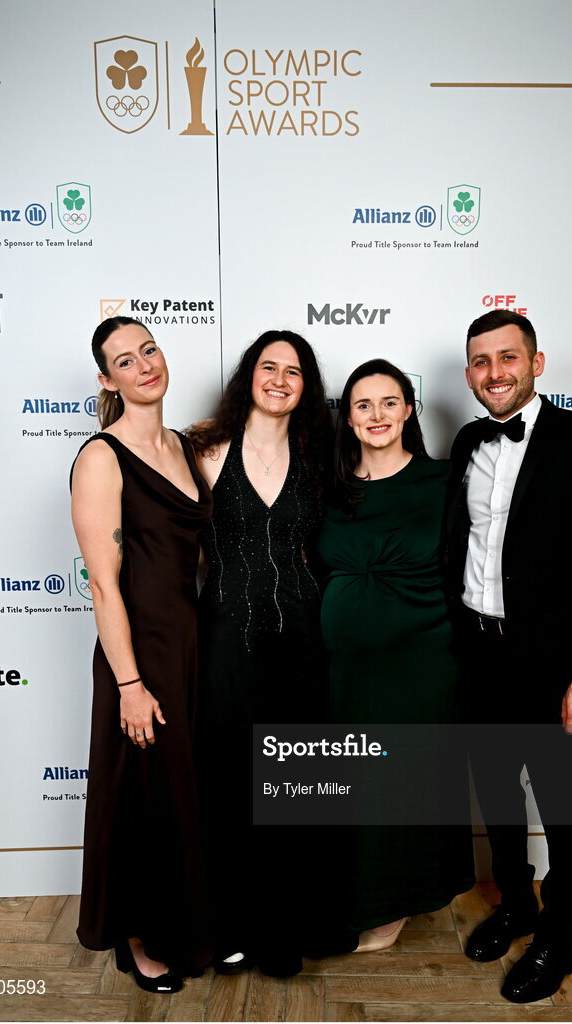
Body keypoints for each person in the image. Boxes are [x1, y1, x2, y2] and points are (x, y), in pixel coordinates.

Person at [446, 310, 572, 1003]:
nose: (493, 372)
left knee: (562, 804)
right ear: (467, 372)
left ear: (535, 362)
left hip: (555, 666)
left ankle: (559, 930)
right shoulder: (467, 440)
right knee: (496, 798)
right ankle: (516, 905)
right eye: (479, 361)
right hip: (479, 655)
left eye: (506, 357)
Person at [71, 316, 213, 992]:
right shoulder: (101, 456)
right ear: (107, 380)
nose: (144, 365)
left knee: (186, 796)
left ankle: (187, 926)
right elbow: (103, 581)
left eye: (149, 349)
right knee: (142, 801)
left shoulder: (186, 446)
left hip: (195, 649)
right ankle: (137, 938)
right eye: (125, 361)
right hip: (141, 656)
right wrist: (128, 682)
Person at [189, 329, 336, 977]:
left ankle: (282, 933)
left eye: (293, 371)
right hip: (228, 643)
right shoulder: (205, 450)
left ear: (307, 387)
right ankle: (230, 928)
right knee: (231, 789)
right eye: (268, 366)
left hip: (304, 645)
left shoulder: (318, 454)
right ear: (249, 374)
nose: (279, 378)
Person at [318, 358, 475, 953]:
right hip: (346, 670)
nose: (376, 415)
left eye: (389, 402)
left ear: (409, 409)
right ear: (348, 418)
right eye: (363, 404)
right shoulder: (330, 486)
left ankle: (393, 909)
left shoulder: (443, 482)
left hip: (420, 665)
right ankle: (355, 897)